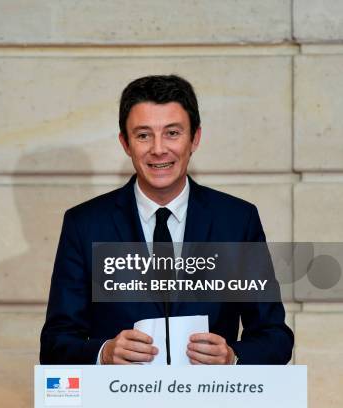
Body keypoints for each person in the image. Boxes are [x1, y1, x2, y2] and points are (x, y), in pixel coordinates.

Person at [39, 75, 293, 365]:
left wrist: (233, 357)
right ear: (125, 143)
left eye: (172, 133)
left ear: (195, 138)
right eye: (143, 135)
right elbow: (55, 343)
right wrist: (103, 353)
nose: (158, 149)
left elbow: (275, 337)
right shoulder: (83, 224)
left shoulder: (237, 220)